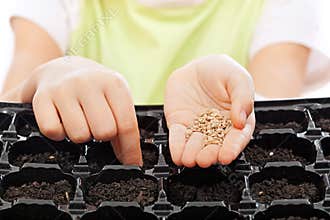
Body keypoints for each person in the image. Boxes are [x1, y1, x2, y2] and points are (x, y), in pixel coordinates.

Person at [0, 0, 325, 168]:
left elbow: (276, 117)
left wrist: (245, 96)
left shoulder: (279, 5)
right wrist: (48, 76)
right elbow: (9, 112)